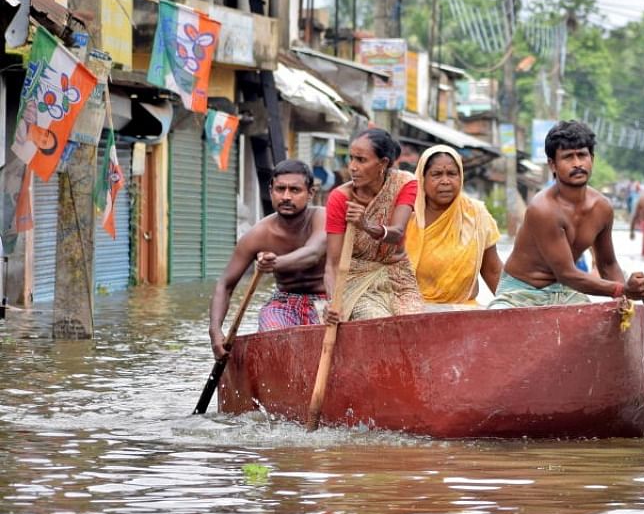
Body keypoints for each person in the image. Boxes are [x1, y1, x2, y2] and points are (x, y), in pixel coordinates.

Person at [490, 120, 644, 309]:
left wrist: (628, 304)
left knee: (609, 325)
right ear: (553, 165)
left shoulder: (602, 207)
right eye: (568, 157)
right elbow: (566, 273)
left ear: (592, 158)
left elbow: (608, 265)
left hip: (565, 291)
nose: (577, 164)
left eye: (582, 155)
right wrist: (622, 289)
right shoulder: (542, 208)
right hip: (521, 292)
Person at [209, 160, 327, 358]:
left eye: (295, 190)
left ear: (310, 193)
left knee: (323, 350)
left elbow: (313, 253)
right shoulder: (258, 235)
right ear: (271, 191)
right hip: (284, 302)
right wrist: (214, 331)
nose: (286, 196)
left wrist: (275, 263)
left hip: (327, 302)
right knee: (274, 340)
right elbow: (225, 284)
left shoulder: (323, 218)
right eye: (280, 189)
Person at [324, 128, 425, 322]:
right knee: (375, 320)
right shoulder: (340, 198)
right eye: (351, 158)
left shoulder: (405, 183)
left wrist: (365, 225)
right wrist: (333, 302)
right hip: (355, 279)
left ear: (383, 163)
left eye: (361, 160)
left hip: (398, 277)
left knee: (415, 323)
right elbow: (333, 263)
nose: (352, 167)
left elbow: (397, 233)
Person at [403, 144, 502, 305]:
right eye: (436, 174)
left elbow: (493, 270)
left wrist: (515, 309)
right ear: (422, 178)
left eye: (452, 174)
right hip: (414, 312)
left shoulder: (476, 214)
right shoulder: (407, 215)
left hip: (464, 314)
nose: (445, 181)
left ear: (460, 176)